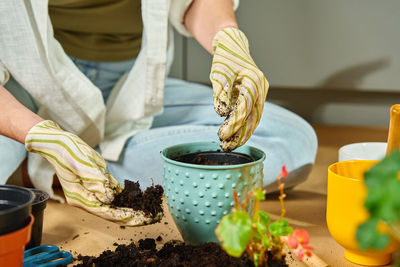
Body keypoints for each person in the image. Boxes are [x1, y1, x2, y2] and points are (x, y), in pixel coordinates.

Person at [0, 0, 317, 225]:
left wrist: (227, 36)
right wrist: (36, 133)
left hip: (128, 87)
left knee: (292, 141)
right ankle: (53, 153)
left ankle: (59, 168)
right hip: (20, 85)